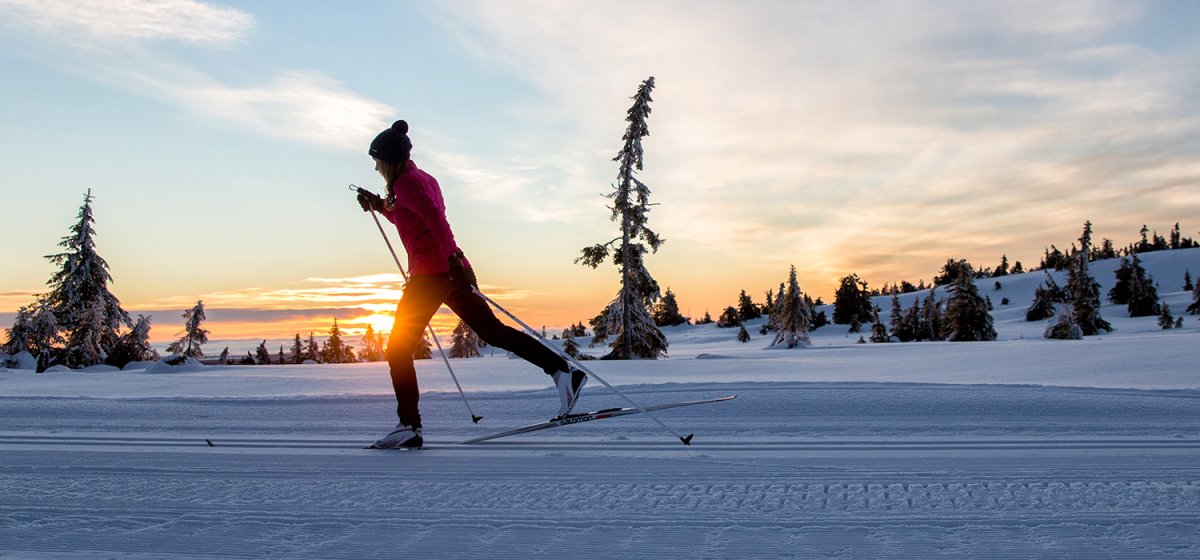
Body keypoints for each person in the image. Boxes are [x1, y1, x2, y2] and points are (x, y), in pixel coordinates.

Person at [357, 119, 587, 449]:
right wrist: (380, 206)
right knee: (493, 331)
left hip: (432, 276)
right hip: (447, 273)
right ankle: (563, 373)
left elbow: (438, 221)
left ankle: (409, 426)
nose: (376, 168)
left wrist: (454, 258)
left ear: (390, 161)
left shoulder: (407, 184)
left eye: (378, 161)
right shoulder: (422, 180)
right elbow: (412, 218)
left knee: (397, 348)